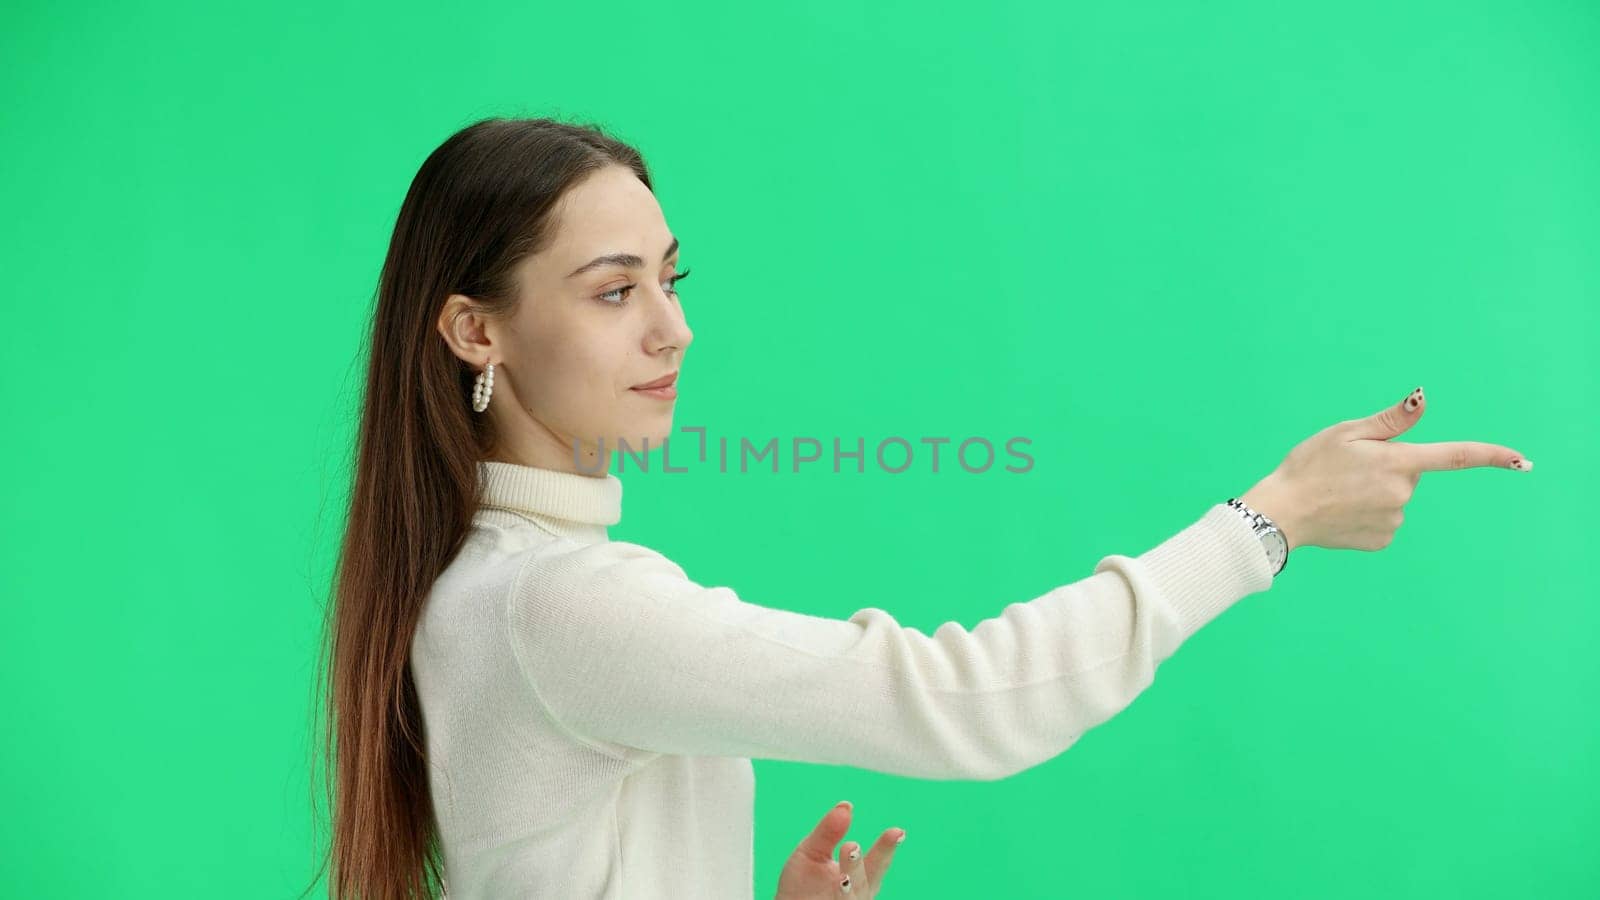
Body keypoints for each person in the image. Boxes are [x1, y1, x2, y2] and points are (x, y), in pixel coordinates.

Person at [308, 116, 1534, 900]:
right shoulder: (558, 603)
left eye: (670, 279)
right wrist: (1266, 523)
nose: (674, 329)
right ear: (476, 328)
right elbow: (963, 703)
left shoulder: (498, 582)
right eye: (613, 289)